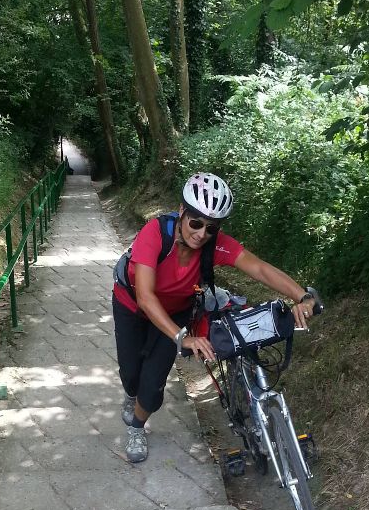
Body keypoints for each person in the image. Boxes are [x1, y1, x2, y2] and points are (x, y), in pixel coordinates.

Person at [112, 171, 319, 463]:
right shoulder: (156, 233)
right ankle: (130, 394)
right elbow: (146, 297)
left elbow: (259, 268)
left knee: (153, 383)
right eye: (196, 223)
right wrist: (182, 337)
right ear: (182, 212)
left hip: (176, 309)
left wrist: (302, 295)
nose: (201, 234)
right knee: (131, 373)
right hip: (132, 305)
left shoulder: (214, 244)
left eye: (211, 228)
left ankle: (136, 426)